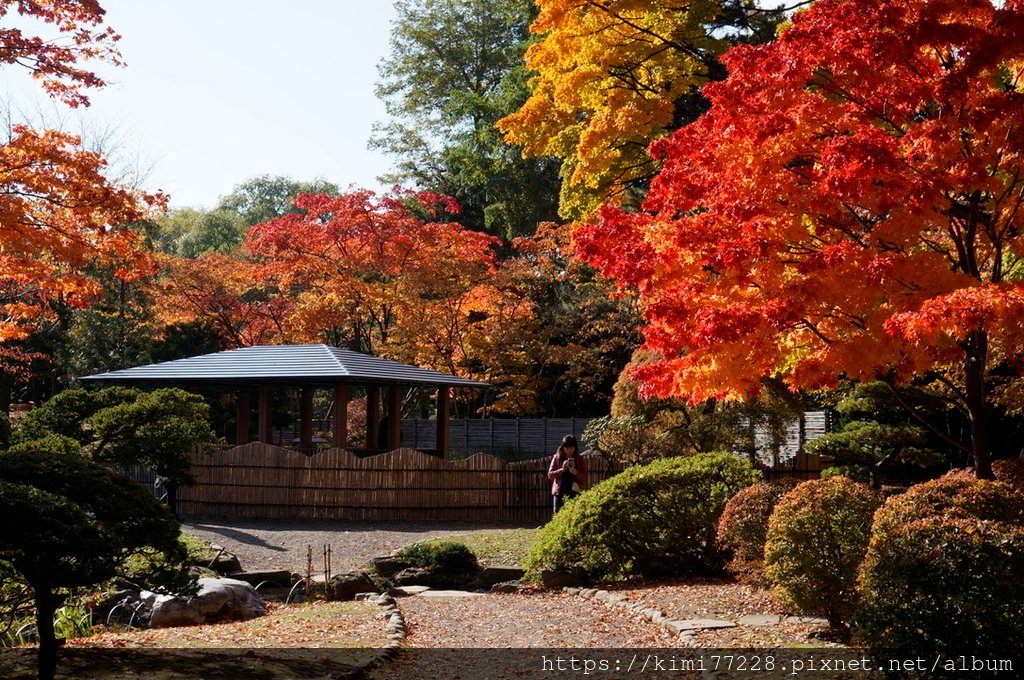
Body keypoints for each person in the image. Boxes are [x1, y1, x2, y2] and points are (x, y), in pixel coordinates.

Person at [548, 434, 588, 514]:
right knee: (557, 515)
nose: (569, 451)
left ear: (575, 448)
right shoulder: (557, 458)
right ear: (563, 448)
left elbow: (585, 477)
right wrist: (562, 469)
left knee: (575, 515)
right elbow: (550, 474)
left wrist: (576, 473)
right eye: (566, 448)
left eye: (571, 448)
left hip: (575, 491)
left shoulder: (579, 459)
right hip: (560, 492)